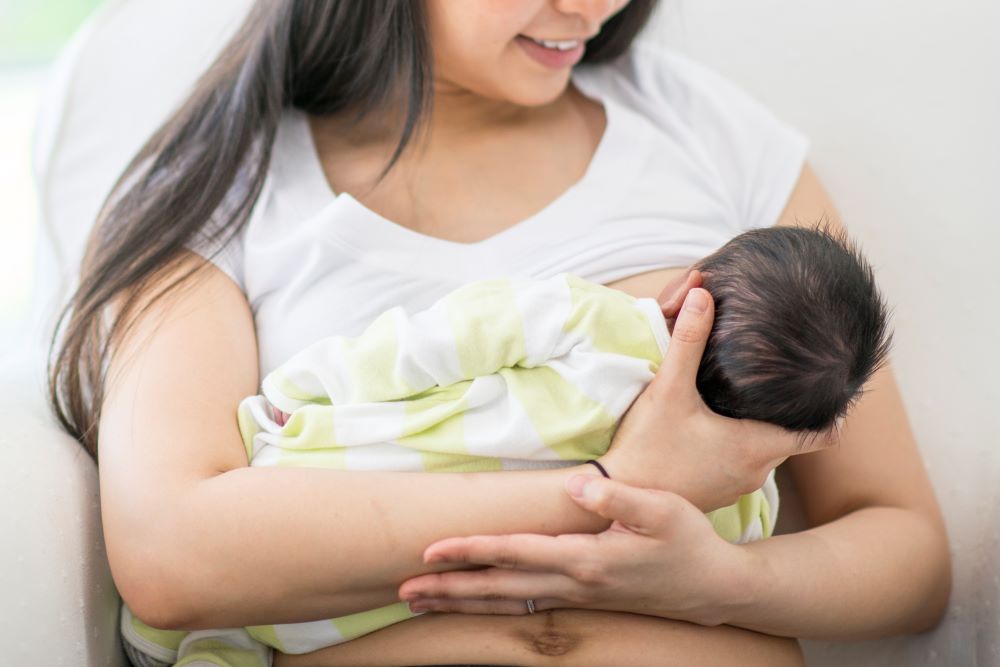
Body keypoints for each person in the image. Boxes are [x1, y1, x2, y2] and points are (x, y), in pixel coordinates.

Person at [48, 2, 949, 666]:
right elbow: (172, 550)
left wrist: (719, 582)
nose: (591, 8)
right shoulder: (223, 188)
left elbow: (907, 553)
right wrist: (616, 492)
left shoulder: (711, 136)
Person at [120, 225, 892, 665]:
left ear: (681, 293)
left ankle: (208, 642)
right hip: (368, 596)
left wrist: (311, 388)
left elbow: (434, 342)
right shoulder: (744, 491)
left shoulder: (591, 318)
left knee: (255, 620)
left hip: (340, 513)